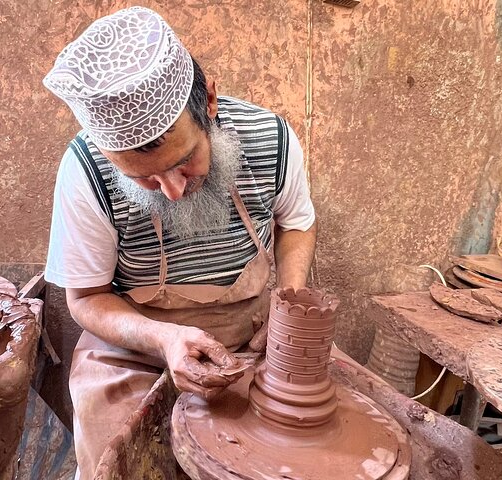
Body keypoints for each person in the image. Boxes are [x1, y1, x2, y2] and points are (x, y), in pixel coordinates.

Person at [42, 6, 316, 478]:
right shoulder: (85, 171)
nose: (172, 190)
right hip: (133, 350)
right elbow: (85, 298)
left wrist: (286, 305)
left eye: (185, 159)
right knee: (120, 457)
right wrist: (164, 339)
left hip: (252, 338)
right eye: (143, 178)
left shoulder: (271, 138)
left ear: (208, 101)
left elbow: (296, 222)